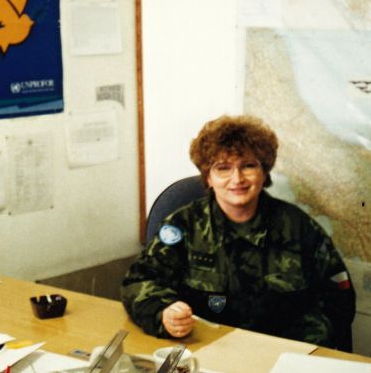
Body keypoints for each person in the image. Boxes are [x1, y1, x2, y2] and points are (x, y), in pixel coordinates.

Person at [120, 115, 356, 351]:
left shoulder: (299, 228)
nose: (237, 179)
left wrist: (298, 347)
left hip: (283, 355)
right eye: (223, 168)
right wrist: (163, 312)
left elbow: (338, 299)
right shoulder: (184, 226)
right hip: (204, 350)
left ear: (264, 173)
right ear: (208, 177)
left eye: (248, 166)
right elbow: (139, 281)